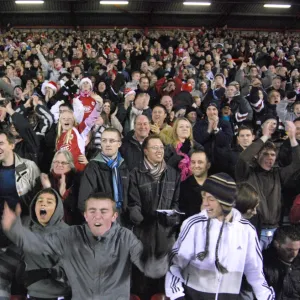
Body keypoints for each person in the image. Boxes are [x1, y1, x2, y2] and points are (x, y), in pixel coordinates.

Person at [2, 193, 168, 300]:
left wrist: (159, 256)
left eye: (104, 211)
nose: (98, 216)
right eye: (93, 211)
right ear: (85, 215)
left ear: (114, 216)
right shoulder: (71, 235)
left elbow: (151, 270)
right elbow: (39, 245)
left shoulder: (125, 237)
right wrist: (13, 229)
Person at [165, 173, 275, 300]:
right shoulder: (194, 225)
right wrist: (177, 297)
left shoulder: (247, 230)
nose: (205, 204)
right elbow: (174, 266)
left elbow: (256, 273)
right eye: (203, 197)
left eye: (211, 199)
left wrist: (267, 297)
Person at [128, 135, 181, 299]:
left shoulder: (173, 173)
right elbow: (132, 202)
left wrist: (173, 217)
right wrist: (139, 217)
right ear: (145, 151)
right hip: (143, 234)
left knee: (162, 286)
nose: (159, 151)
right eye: (154, 147)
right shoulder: (136, 173)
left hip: (166, 234)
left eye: (161, 147)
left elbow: (176, 203)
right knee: (142, 283)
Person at [235, 120, 300, 250]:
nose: (270, 157)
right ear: (257, 156)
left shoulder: (278, 174)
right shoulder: (246, 173)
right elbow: (243, 158)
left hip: (276, 232)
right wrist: (264, 137)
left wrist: (293, 138)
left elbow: (297, 164)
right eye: (265, 154)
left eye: (273, 155)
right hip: (252, 230)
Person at [18, 188, 71, 300]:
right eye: (40, 201)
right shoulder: (25, 229)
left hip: (59, 296)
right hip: (31, 295)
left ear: (57, 208)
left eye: (49, 202)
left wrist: (45, 273)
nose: (43, 204)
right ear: (34, 206)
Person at [78, 128, 129, 224]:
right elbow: (84, 201)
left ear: (119, 144)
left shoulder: (124, 167)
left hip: (122, 221)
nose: (107, 144)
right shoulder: (92, 167)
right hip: (101, 222)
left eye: (112, 141)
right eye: (104, 140)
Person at [40, 150, 82, 225]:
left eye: (63, 163)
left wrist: (65, 194)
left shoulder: (78, 179)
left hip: (71, 226)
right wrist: (47, 189)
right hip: (49, 226)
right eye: (56, 162)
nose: (59, 165)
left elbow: (79, 207)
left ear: (70, 165)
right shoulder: (44, 179)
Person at [263, 226, 300, 300]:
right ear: (277, 244)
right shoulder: (262, 264)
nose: (294, 254)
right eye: (289, 250)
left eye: (297, 249)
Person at [179, 150, 211, 218]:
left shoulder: (216, 186)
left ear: (208, 165)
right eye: (193, 162)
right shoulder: (182, 187)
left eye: (200, 162)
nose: (196, 165)